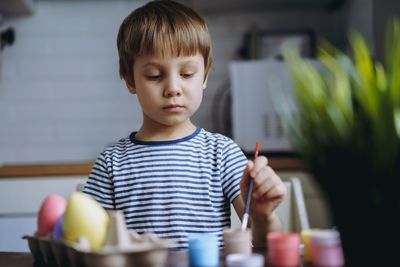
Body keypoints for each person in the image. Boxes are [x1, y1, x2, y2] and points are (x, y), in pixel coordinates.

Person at [83, 0, 286, 250]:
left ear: (205, 77)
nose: (173, 89)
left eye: (187, 74)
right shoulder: (111, 162)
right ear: (129, 80)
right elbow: (87, 241)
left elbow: (266, 243)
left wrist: (263, 215)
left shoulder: (222, 153)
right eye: (155, 76)